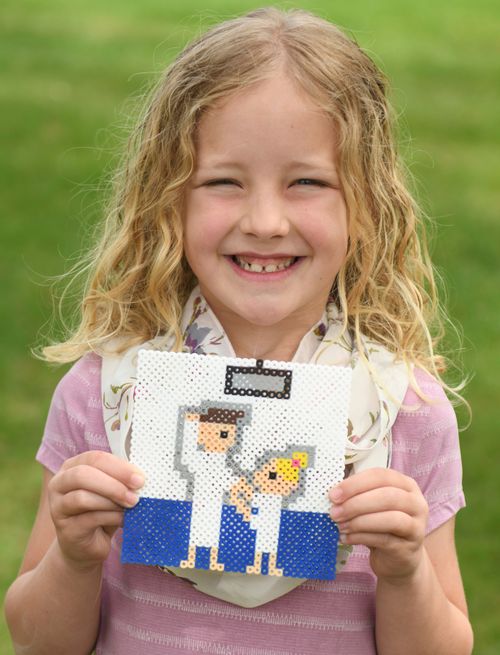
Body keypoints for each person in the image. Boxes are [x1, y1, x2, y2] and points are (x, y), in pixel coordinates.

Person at [4, 7, 473, 654]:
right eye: (224, 181)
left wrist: (405, 569)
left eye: (307, 181)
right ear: (168, 200)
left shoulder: (403, 411)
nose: (265, 220)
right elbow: (37, 637)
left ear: (365, 204)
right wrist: (74, 558)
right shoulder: (106, 392)